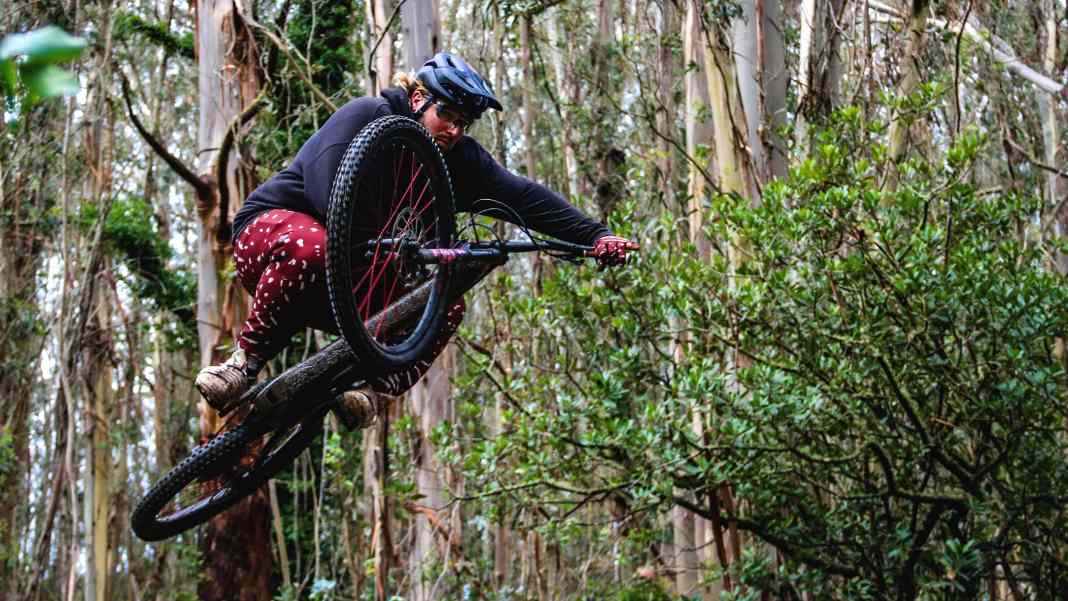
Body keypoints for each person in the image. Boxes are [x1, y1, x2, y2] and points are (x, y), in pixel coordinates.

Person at [195, 52, 638, 427]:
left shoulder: (457, 159)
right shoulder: (368, 116)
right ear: (418, 98)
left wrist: (596, 237)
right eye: (447, 114)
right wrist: (378, 244)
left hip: (348, 279)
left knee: (445, 300)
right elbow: (324, 187)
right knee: (317, 246)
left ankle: (372, 394)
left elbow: (522, 197)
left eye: (464, 122)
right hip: (273, 237)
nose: (454, 130)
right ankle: (242, 366)